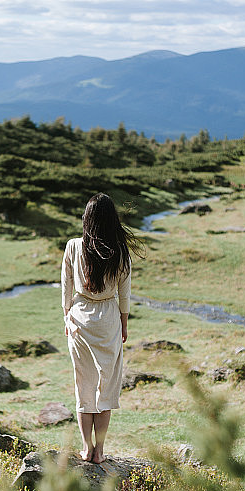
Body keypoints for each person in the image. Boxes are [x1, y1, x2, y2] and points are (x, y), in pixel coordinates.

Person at [61, 193, 143, 463]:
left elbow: (66, 285)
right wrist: (124, 324)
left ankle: (86, 448)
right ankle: (100, 451)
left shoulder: (73, 246)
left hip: (80, 317)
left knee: (84, 384)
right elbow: (124, 294)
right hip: (108, 319)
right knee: (105, 388)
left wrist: (67, 316)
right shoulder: (120, 252)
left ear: (87, 219)